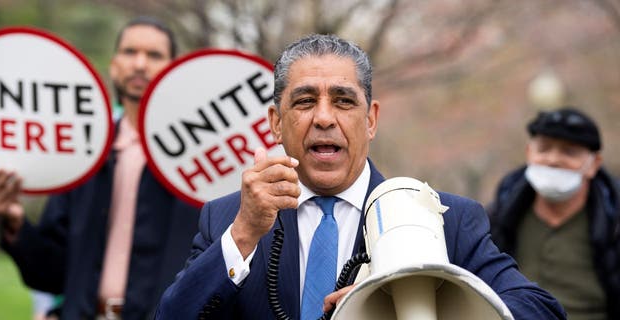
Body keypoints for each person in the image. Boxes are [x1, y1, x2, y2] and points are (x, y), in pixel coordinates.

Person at [154, 34, 565, 320]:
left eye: (344, 101)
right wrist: (244, 233)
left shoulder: (444, 218)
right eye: (305, 101)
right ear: (276, 123)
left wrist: (407, 305)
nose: (324, 118)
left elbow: (540, 309)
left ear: (370, 120)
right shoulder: (227, 219)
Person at [0, 16, 201, 319]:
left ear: (174, 68)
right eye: (129, 52)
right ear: (113, 65)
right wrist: (17, 224)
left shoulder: (198, 163)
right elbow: (51, 273)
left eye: (154, 55)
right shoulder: (83, 154)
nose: (139, 64)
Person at [488, 107, 620, 320]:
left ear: (593, 165)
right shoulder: (498, 218)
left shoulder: (613, 225)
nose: (553, 159)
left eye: (569, 151)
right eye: (544, 148)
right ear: (529, 153)